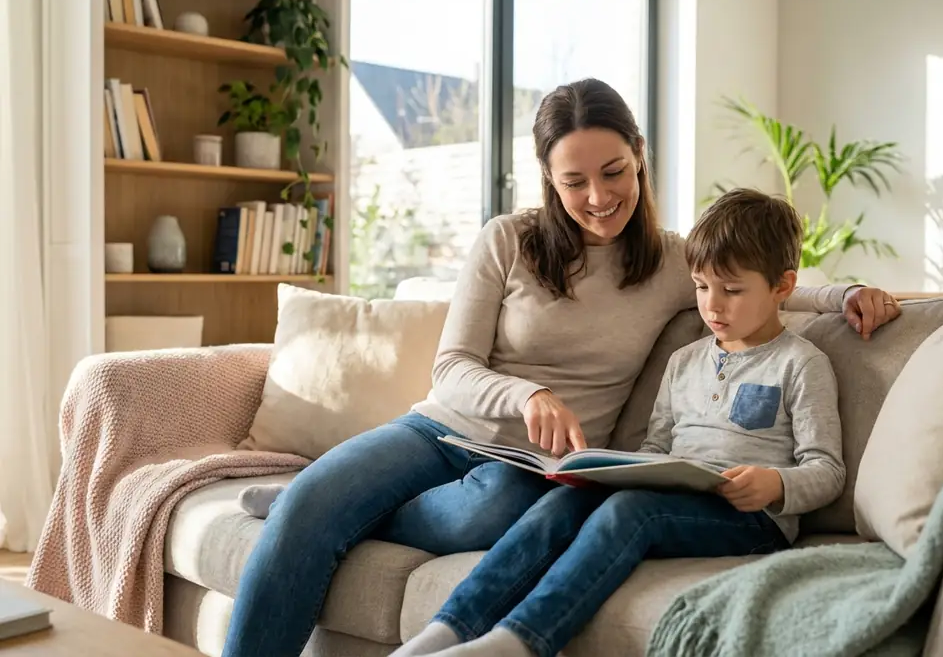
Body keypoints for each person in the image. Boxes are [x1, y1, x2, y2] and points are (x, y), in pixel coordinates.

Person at [221, 78, 901, 657]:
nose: (599, 197)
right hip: (443, 431)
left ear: (640, 159)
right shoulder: (507, 242)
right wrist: (528, 395)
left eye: (615, 173)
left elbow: (756, 284)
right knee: (308, 507)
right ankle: (327, 502)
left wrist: (845, 295)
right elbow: (453, 366)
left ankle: (352, 511)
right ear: (548, 178)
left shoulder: (669, 261)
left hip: (541, 471)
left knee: (490, 508)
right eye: (574, 181)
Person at [392, 187, 846, 657]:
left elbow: (827, 469)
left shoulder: (800, 364)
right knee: (562, 503)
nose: (712, 306)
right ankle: (446, 631)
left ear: (782, 287)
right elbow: (656, 448)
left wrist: (775, 485)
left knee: (630, 512)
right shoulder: (684, 361)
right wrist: (617, 471)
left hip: (754, 520)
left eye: (732, 291)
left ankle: (519, 642)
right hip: (678, 496)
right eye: (700, 286)